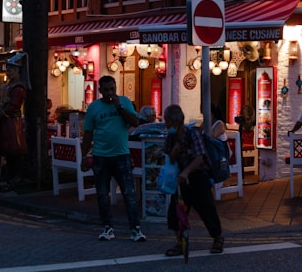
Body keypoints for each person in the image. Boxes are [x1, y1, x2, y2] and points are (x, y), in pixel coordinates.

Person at [80, 75, 146, 242]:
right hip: (101, 156)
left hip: (121, 155)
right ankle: (107, 227)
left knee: (129, 193)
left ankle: (135, 229)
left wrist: (120, 107)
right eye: (106, 90)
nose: (110, 93)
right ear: (100, 90)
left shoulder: (124, 102)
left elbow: (135, 122)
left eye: (112, 89)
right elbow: (88, 133)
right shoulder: (94, 108)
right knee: (102, 194)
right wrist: (83, 156)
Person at [162, 104, 224, 255]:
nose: (166, 125)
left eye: (168, 121)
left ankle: (218, 238)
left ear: (176, 121)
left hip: (197, 177)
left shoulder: (192, 134)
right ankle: (180, 243)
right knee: (176, 213)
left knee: (206, 209)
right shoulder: (171, 137)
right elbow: (169, 158)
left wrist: (186, 172)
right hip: (180, 181)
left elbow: (199, 158)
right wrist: (174, 152)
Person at [0, 52, 31, 187]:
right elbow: (0, 102)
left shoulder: (19, 88)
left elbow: (12, 106)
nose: (9, 71)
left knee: (15, 149)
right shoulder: (8, 86)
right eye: (8, 69)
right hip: (4, 122)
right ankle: (10, 174)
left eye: (11, 69)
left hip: (12, 122)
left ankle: (18, 176)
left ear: (17, 70)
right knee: (6, 149)